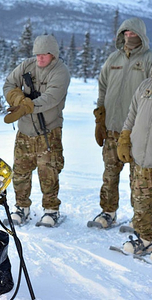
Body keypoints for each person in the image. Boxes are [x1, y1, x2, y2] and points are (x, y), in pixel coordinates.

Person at [3, 34, 71, 227]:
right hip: (25, 130)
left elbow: (51, 98)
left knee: (48, 172)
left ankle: (51, 210)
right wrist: (17, 99)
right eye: (37, 54)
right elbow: (9, 84)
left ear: (53, 54)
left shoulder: (60, 71)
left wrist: (27, 106)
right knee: (20, 171)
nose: (40, 58)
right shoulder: (27, 66)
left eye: (45, 54)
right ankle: (21, 207)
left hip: (48, 131)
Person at [91, 17, 152, 228]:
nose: (128, 36)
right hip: (112, 130)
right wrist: (100, 117)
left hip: (137, 133)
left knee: (139, 181)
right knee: (109, 175)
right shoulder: (113, 59)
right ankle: (108, 212)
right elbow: (102, 88)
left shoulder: (148, 60)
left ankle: (140, 221)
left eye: (132, 33)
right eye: (125, 33)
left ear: (141, 35)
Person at [117, 76, 152, 255]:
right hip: (141, 155)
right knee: (141, 198)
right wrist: (124, 139)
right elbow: (132, 114)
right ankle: (146, 236)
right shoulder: (146, 84)